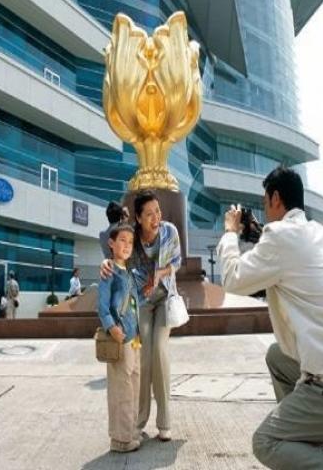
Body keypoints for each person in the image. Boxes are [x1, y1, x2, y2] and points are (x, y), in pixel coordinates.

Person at [217, 167, 323, 470]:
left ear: (276, 199)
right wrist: (260, 239)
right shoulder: (313, 233)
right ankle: (299, 446)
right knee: (277, 356)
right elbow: (286, 263)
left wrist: (231, 232)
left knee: (266, 443)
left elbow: (232, 278)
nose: (265, 210)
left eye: (265, 202)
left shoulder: (280, 236)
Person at [101, 190, 181, 442]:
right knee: (143, 357)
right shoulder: (132, 239)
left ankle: (165, 422)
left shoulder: (170, 232)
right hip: (142, 304)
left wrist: (162, 273)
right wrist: (106, 265)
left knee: (158, 350)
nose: (156, 217)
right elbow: (118, 257)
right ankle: (139, 419)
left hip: (164, 299)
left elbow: (177, 261)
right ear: (138, 217)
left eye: (157, 211)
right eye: (149, 214)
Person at [98, 223, 142, 453]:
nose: (126, 245)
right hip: (120, 338)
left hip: (135, 339)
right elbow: (102, 306)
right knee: (121, 389)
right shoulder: (109, 271)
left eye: (130, 242)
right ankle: (121, 439)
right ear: (111, 243)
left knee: (134, 386)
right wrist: (111, 327)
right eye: (122, 240)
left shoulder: (130, 274)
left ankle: (132, 431)